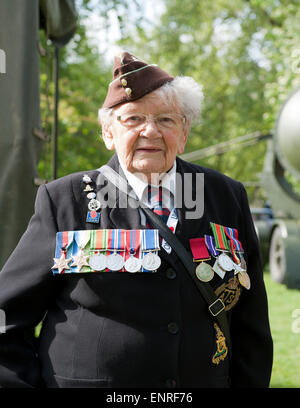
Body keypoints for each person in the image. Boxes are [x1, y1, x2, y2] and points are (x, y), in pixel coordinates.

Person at [0, 51, 273, 388]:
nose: (150, 131)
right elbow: (7, 318)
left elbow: (252, 324)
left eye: (166, 120)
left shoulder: (226, 196)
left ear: (184, 132)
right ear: (108, 133)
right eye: (132, 119)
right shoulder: (64, 200)